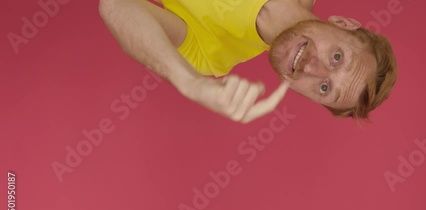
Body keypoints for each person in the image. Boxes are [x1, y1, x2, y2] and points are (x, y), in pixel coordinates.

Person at [99, 0, 397, 123]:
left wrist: (189, 82)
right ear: (344, 23)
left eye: (323, 88)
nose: (313, 68)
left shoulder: (212, 55)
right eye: (337, 57)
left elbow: (116, 5)